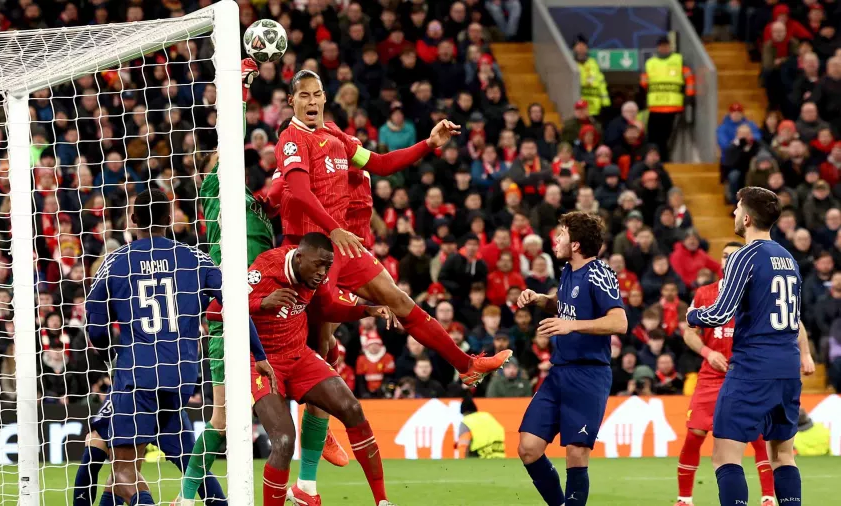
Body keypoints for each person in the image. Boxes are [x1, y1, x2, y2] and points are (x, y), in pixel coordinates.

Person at [274, 70, 511, 387]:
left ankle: (467, 365)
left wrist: (428, 143)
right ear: (291, 101)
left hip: (342, 246)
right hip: (308, 250)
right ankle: (318, 429)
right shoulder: (291, 140)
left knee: (399, 300)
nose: (312, 101)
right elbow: (301, 192)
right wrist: (334, 230)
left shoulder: (335, 135)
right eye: (304, 95)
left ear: (325, 98)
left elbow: (381, 164)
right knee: (321, 341)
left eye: (316, 94)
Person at [181, 59, 347, 506]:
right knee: (221, 418)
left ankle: (309, 475)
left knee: (326, 357)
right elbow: (225, 141)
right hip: (231, 322)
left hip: (276, 320)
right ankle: (186, 494)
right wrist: (241, 88)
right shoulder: (215, 197)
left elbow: (290, 185)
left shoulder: (259, 209)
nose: (233, 163)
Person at [82, 190, 262, 506]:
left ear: (132, 220)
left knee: (123, 472)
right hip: (181, 375)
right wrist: (259, 355)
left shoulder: (115, 261)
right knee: (187, 458)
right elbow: (235, 304)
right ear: (169, 219)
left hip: (136, 373)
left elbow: (95, 329)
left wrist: (112, 351)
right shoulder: (196, 258)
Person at [244, 232, 396, 506]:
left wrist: (367, 310)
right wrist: (262, 303)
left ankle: (383, 502)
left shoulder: (316, 271)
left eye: (328, 266)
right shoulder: (265, 268)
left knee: (352, 409)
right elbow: (216, 309)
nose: (323, 273)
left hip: (298, 355)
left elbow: (328, 308)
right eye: (318, 265)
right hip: (262, 362)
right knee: (283, 441)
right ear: (299, 257)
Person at [686, 187, 817, 506]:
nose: (732, 214)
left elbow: (720, 312)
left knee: (724, 455)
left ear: (746, 217)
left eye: (736, 209)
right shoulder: (788, 258)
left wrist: (692, 314)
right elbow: (794, 318)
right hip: (786, 368)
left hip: (752, 368)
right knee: (783, 455)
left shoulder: (744, 256)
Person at [516, 212, 628, 506]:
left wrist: (572, 326)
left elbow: (619, 322)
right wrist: (541, 299)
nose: (556, 239)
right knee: (528, 447)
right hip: (560, 372)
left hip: (589, 375)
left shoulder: (599, 272)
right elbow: (565, 305)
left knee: (576, 452)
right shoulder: (567, 271)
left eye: (561, 234)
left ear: (576, 244)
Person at [675, 242, 778, 506]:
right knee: (695, 434)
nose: (728, 260)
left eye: (734, 256)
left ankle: (768, 497)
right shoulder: (704, 293)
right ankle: (684, 499)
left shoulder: (757, 295)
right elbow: (689, 332)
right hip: (711, 376)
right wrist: (708, 353)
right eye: (724, 256)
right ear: (720, 263)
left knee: (757, 436)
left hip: (745, 375)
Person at [641, 37, 695, 160]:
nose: (664, 48)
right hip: (655, 108)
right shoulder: (650, 63)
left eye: (666, 45)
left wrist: (689, 96)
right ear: (657, 47)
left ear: (670, 46)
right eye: (661, 46)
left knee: (666, 139)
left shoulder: (679, 60)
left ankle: (664, 161)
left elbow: (689, 78)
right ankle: (655, 160)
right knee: (653, 138)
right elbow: (644, 83)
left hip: (673, 107)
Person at [573, 35, 609, 117]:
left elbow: (601, 83)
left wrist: (605, 102)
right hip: (579, 109)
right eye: (579, 46)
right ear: (574, 48)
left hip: (595, 109)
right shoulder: (572, 65)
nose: (581, 49)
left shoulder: (593, 63)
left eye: (584, 46)